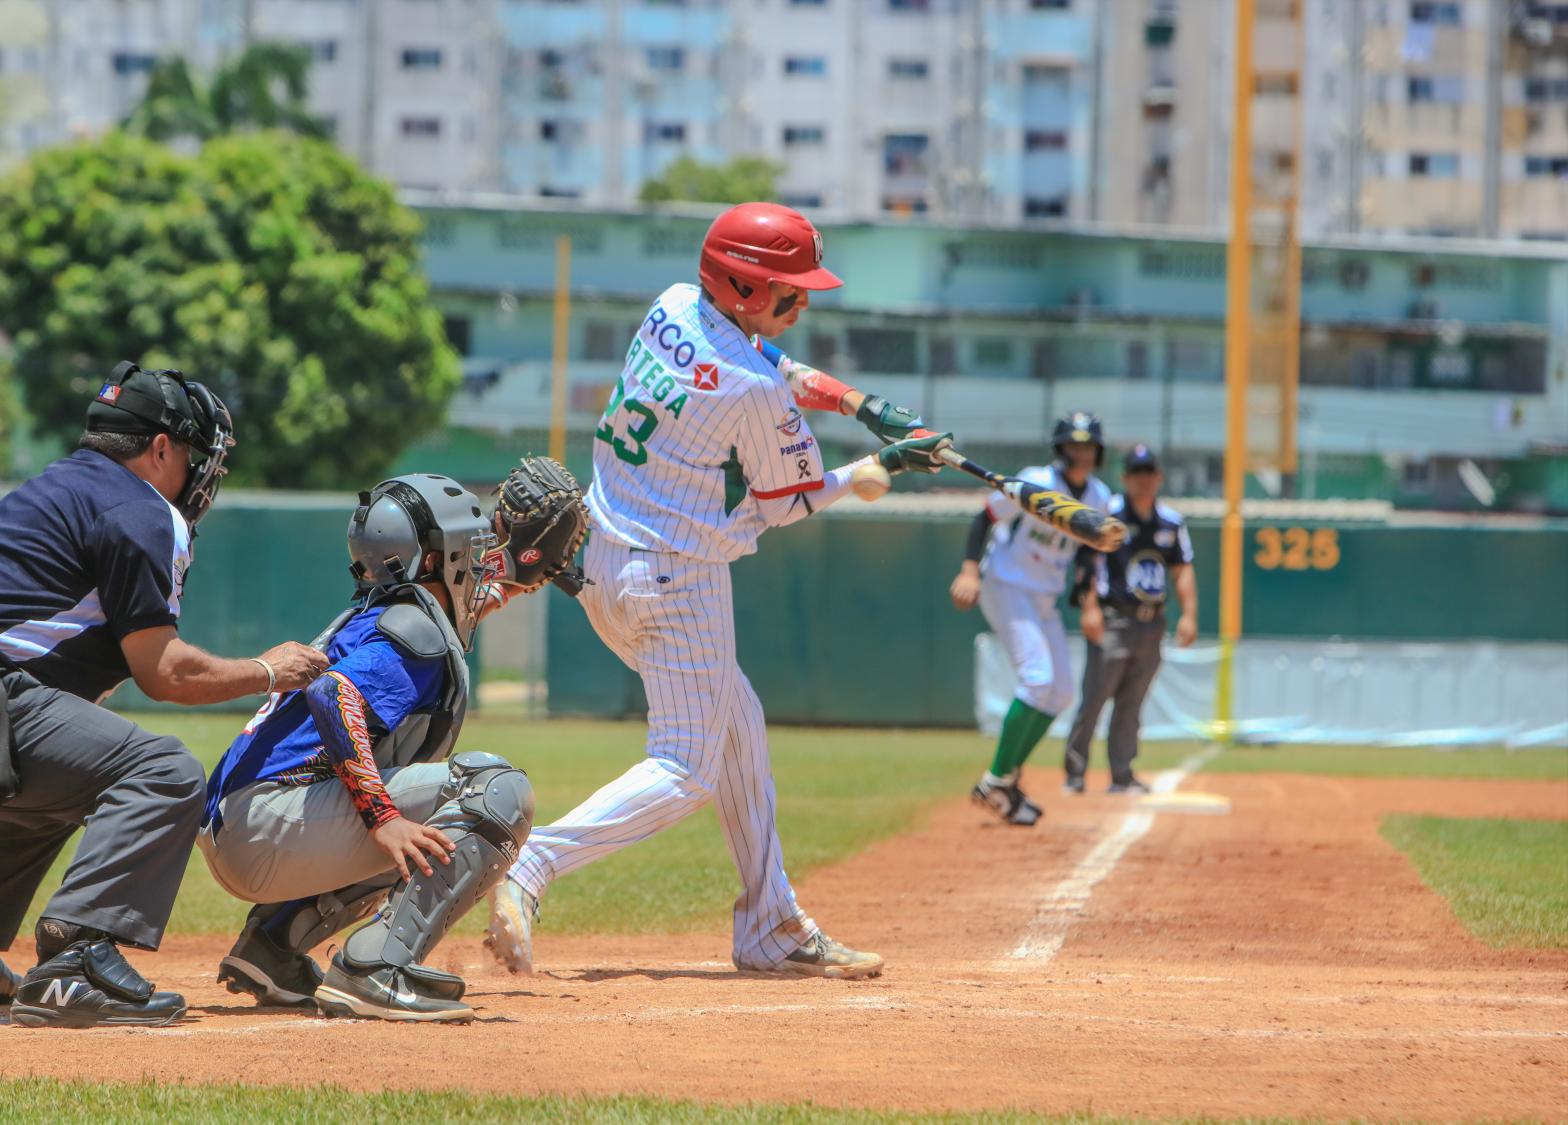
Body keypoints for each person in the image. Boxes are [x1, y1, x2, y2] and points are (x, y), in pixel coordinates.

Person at [484, 201, 950, 980]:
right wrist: (881, 469)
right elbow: (787, 501)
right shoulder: (752, 388)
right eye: (790, 292)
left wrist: (860, 405)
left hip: (603, 560)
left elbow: (769, 365)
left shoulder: (672, 305)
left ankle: (773, 923)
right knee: (685, 769)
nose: (802, 304)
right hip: (679, 583)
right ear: (743, 286)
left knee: (739, 722)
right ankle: (532, 867)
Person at [0, 363, 329, 1028]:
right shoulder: (142, 508)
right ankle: (78, 955)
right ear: (158, 449)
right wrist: (267, 669)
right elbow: (165, 673)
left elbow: (69, 661)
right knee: (164, 770)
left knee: (69, 776)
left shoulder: (56, 488)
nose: (201, 471)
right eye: (193, 453)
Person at [197, 460, 585, 1023]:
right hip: (268, 825)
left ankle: (274, 945)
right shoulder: (417, 628)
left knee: (422, 822)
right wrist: (382, 816)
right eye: (471, 543)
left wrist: (519, 570)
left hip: (248, 824)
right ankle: (378, 969)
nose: (481, 554)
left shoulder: (388, 614)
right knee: (495, 791)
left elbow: (467, 595)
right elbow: (333, 693)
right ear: (438, 557)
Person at [950, 411, 1114, 826]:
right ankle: (994, 780)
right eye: (1074, 444)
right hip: (1007, 584)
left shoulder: (1098, 497)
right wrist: (970, 570)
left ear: (1098, 452)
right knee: (1037, 679)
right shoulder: (1037, 481)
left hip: (1044, 597)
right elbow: (985, 516)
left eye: (1088, 446)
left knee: (1060, 693)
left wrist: (1088, 598)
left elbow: (1089, 551)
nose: (1081, 452)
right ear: (1061, 448)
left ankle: (1004, 781)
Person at [1063, 444, 1197, 794]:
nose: (1144, 480)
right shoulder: (1109, 516)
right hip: (1113, 619)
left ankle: (1121, 775)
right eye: (1137, 473)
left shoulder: (1170, 521)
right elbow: (1086, 562)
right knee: (1094, 698)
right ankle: (1075, 773)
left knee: (1131, 703)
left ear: (1159, 477)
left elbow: (1182, 570)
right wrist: (1089, 607)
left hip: (1152, 623)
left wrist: (1189, 615)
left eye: (1149, 472)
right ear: (1125, 478)